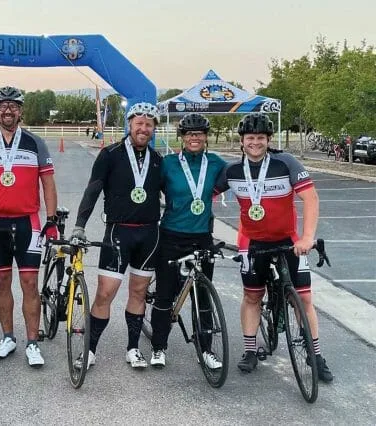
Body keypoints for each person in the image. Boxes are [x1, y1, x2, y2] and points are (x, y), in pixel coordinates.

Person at [215, 113, 333, 382]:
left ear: (269, 140)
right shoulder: (232, 171)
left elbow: (311, 199)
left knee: (303, 299)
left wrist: (307, 238)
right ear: (242, 141)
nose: (255, 142)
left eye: (260, 138)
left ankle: (315, 355)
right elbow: (202, 196)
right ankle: (250, 350)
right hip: (252, 241)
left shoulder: (285, 162)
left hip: (288, 240)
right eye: (250, 138)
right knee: (252, 297)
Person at [0, 86, 58, 367]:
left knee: (29, 283)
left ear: (20, 111)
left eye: (13, 106)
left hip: (28, 222)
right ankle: (8, 337)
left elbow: (48, 183)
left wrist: (51, 220)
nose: (8, 110)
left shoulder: (35, 143)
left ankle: (32, 342)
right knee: (2, 281)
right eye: (2, 106)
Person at [69, 102, 163, 370]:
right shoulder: (110, 154)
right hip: (118, 232)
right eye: (139, 123)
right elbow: (93, 190)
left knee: (139, 293)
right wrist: (79, 225)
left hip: (149, 234)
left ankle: (133, 349)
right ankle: (89, 350)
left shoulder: (158, 159)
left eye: (149, 124)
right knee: (105, 294)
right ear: (130, 124)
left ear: (154, 128)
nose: (143, 128)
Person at [150, 113, 227, 368]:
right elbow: (153, 190)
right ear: (182, 137)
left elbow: (241, 176)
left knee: (202, 297)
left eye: (199, 134)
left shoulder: (215, 163)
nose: (195, 138)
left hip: (202, 236)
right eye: (189, 134)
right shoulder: (169, 163)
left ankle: (205, 350)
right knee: (164, 295)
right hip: (171, 234)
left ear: (206, 137)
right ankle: (159, 347)